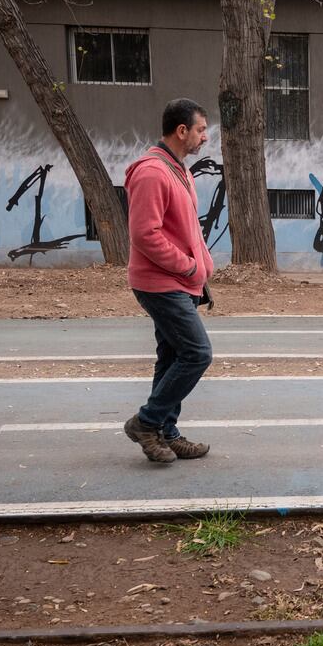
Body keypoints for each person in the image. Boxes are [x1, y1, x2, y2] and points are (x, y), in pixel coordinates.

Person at [123, 98, 216, 464]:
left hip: (181, 281)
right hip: (161, 283)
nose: (204, 137)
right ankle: (146, 422)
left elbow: (186, 229)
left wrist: (201, 266)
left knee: (172, 355)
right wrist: (190, 267)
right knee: (197, 353)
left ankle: (166, 431)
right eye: (201, 130)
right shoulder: (152, 172)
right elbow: (145, 234)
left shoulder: (179, 171)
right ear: (182, 131)